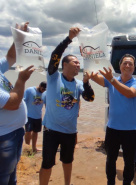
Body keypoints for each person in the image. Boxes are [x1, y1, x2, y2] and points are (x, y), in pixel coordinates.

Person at [39, 27, 95, 185]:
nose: (78, 65)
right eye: (75, 62)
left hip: (70, 132)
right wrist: (69, 39)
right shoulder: (53, 76)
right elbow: (55, 55)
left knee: (67, 161)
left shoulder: (78, 84)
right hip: (51, 130)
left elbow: (90, 98)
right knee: (47, 163)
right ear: (64, 64)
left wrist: (86, 83)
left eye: (79, 63)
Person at [91, 54, 136, 185]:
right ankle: (110, 182)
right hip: (112, 129)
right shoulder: (110, 80)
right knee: (110, 159)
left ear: (133, 67)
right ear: (119, 66)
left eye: (130, 64)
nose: (127, 65)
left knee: (129, 161)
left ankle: (126, 182)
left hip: (130, 130)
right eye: (125, 63)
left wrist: (113, 80)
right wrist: (89, 58)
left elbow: (129, 93)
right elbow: (93, 75)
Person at [0, 22, 34, 184]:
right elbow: (13, 103)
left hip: (13, 133)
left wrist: (18, 36)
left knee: (11, 176)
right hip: (4, 138)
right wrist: (21, 79)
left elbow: (11, 58)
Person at [24, 81, 46, 153]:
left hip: (38, 116)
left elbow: (46, 104)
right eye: (43, 89)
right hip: (29, 115)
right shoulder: (30, 90)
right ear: (39, 86)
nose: (43, 91)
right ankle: (27, 148)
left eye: (45, 90)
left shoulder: (44, 93)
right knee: (28, 131)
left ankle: (34, 148)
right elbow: (23, 101)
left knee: (35, 132)